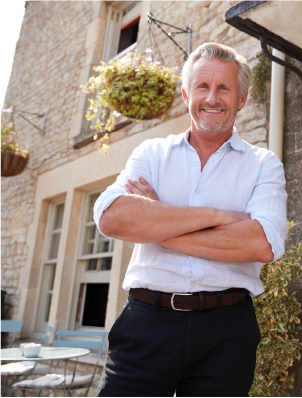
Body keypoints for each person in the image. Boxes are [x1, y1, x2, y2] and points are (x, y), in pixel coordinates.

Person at [94, 42, 287, 397]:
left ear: (241, 99)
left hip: (226, 331)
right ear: (186, 94)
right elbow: (114, 218)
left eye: (224, 88)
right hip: (147, 323)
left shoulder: (263, 164)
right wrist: (217, 217)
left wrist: (159, 225)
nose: (212, 98)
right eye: (202, 86)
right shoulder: (151, 153)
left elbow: (263, 243)